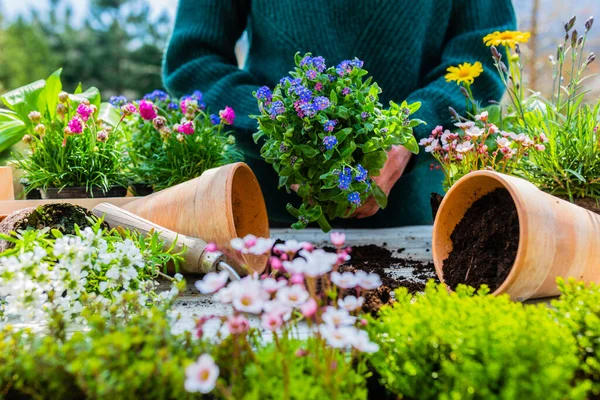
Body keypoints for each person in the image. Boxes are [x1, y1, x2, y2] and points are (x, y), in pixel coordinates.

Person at [163, 0, 516, 227]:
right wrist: (282, 128)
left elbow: (482, 57)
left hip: (421, 219)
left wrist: (409, 131)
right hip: (266, 217)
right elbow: (194, 60)